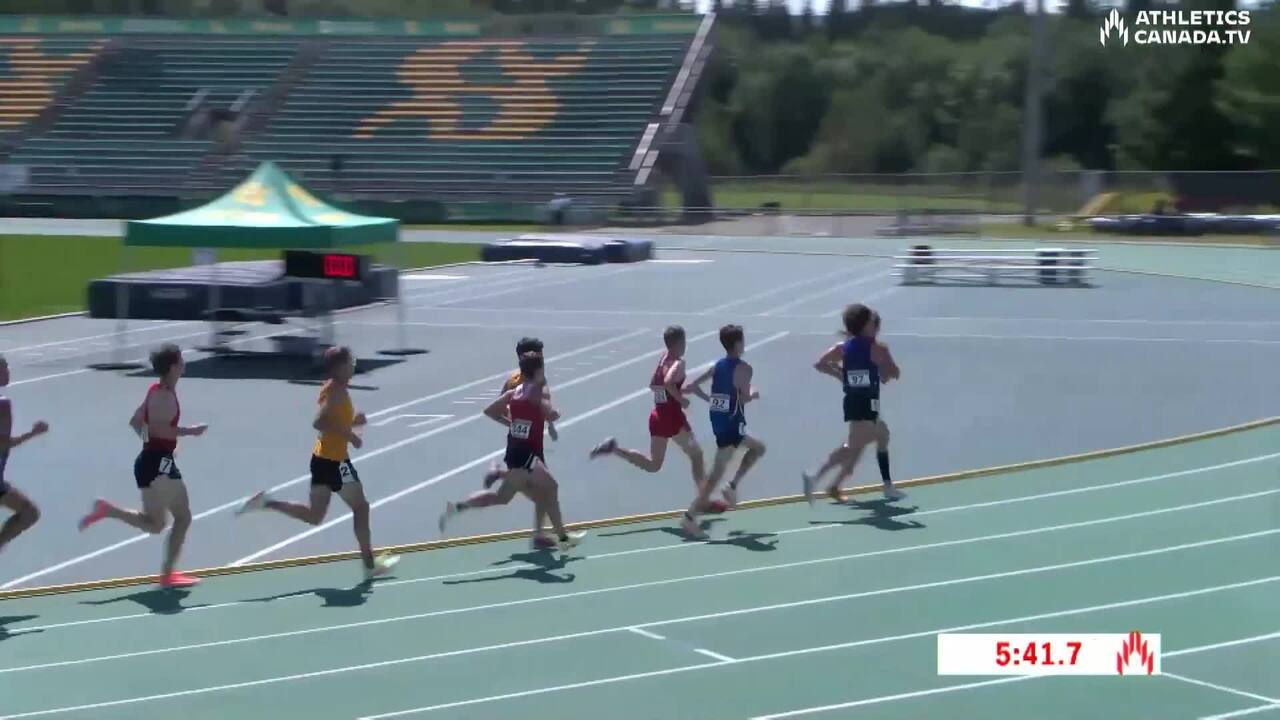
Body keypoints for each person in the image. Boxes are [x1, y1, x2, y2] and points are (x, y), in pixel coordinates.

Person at [238, 346, 397, 581]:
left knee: (315, 516)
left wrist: (354, 422)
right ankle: (370, 566)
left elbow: (333, 421)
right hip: (335, 461)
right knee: (361, 508)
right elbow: (320, 422)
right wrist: (351, 435)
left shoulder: (335, 388)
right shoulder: (335, 392)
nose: (353, 366)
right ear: (339, 367)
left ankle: (267, 502)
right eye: (350, 362)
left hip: (322, 459)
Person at [78, 344, 206, 588]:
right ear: (172, 367)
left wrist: (153, 444)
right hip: (159, 464)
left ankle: (109, 510)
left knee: (156, 525)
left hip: (148, 461)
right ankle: (168, 575)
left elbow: (136, 422)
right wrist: (191, 432)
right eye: (180, 360)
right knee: (183, 517)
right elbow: (159, 428)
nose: (184, 363)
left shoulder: (154, 391)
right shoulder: (164, 397)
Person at [438, 352, 584, 553]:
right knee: (551, 487)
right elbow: (550, 413)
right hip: (526, 455)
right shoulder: (535, 392)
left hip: (515, 451)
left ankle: (458, 507)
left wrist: (512, 424)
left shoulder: (514, 392)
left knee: (503, 498)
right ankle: (563, 538)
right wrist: (556, 413)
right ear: (539, 371)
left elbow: (489, 411)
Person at [589, 326, 726, 514]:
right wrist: (680, 399)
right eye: (684, 342)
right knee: (696, 455)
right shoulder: (678, 363)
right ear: (679, 343)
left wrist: (676, 392)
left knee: (654, 465)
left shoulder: (663, 359)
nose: (685, 346)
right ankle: (703, 502)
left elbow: (654, 386)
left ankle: (614, 449)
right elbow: (668, 383)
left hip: (658, 416)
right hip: (672, 418)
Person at [803, 304, 906, 504]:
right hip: (867, 402)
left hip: (854, 401)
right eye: (872, 322)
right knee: (855, 446)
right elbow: (894, 373)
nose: (875, 326)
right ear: (865, 325)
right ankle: (815, 475)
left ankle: (837, 485)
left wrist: (841, 376)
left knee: (878, 437)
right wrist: (885, 372)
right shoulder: (878, 349)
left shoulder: (843, 347)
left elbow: (821, 364)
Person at [681, 325, 766, 539]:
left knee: (758, 448)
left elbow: (692, 386)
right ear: (737, 344)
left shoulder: (716, 366)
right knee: (715, 476)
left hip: (719, 423)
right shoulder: (744, 368)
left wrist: (709, 399)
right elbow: (744, 397)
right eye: (742, 341)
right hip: (732, 425)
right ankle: (690, 518)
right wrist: (753, 393)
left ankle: (732, 486)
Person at [502, 337, 558, 548]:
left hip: (523, 442)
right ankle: (546, 535)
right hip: (528, 447)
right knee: (542, 490)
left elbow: (504, 406)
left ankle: (540, 534)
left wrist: (515, 424)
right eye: (540, 353)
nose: (543, 357)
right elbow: (546, 407)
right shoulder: (533, 381)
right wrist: (550, 420)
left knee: (541, 490)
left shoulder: (514, 379)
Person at [0, 354, 49, 554]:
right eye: (3, 368)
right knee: (29, 513)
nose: (8, 372)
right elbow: (3, 444)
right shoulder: (3, 405)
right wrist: (33, 433)